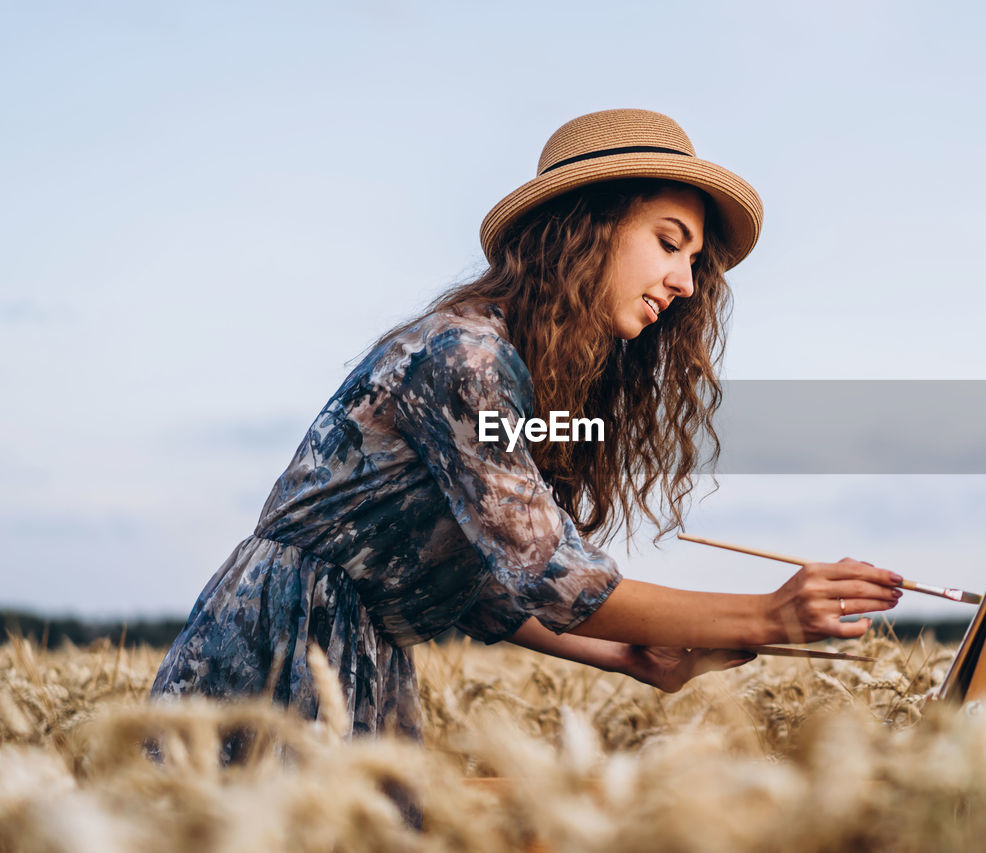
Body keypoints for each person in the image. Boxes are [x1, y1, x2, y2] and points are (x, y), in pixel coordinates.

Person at [151, 109, 903, 739]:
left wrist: (627, 656)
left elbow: (489, 579)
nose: (684, 281)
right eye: (670, 242)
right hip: (276, 651)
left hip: (360, 657)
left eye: (694, 260)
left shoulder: (515, 370)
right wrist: (769, 614)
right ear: (587, 227)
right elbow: (551, 572)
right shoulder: (464, 357)